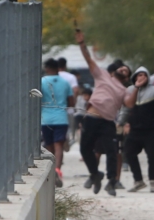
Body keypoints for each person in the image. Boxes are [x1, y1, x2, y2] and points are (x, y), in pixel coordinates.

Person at [75, 29, 130, 196]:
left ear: (127, 78)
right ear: (114, 71)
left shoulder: (125, 91)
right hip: (91, 118)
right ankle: (94, 174)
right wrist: (81, 43)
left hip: (107, 122)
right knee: (85, 149)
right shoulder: (102, 76)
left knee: (112, 151)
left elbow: (130, 104)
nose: (124, 70)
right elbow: (89, 59)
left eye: (127, 71)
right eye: (122, 68)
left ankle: (112, 181)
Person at [123, 67, 154, 193]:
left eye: (144, 75)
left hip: (151, 129)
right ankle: (138, 181)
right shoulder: (130, 90)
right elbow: (126, 108)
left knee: (152, 156)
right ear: (135, 77)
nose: (141, 77)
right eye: (139, 75)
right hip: (134, 129)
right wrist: (122, 123)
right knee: (128, 152)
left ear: (148, 77)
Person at [41, 58, 74, 187]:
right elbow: (72, 102)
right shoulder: (65, 83)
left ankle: (51, 169)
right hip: (61, 118)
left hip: (46, 119)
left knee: (49, 146)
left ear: (49, 68)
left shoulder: (42, 81)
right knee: (59, 145)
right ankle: (58, 170)